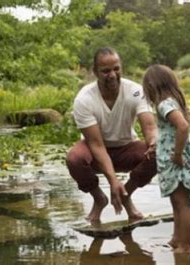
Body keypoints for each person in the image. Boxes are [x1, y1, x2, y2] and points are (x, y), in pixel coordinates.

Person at [66, 47, 157, 222]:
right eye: (106, 71)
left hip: (126, 147)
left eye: (116, 69)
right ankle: (99, 198)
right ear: (95, 72)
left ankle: (126, 195)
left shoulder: (136, 91)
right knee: (74, 159)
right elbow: (96, 145)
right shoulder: (84, 99)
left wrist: (153, 141)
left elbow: (150, 127)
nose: (113, 75)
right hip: (95, 150)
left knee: (160, 152)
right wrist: (113, 181)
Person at [142, 64, 190, 253]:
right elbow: (168, 132)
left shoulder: (164, 104)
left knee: (183, 204)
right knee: (176, 201)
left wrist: (177, 154)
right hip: (173, 158)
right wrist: (157, 146)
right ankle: (177, 238)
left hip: (178, 160)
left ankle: (187, 245)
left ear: (152, 87)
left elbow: (183, 127)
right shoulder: (169, 103)